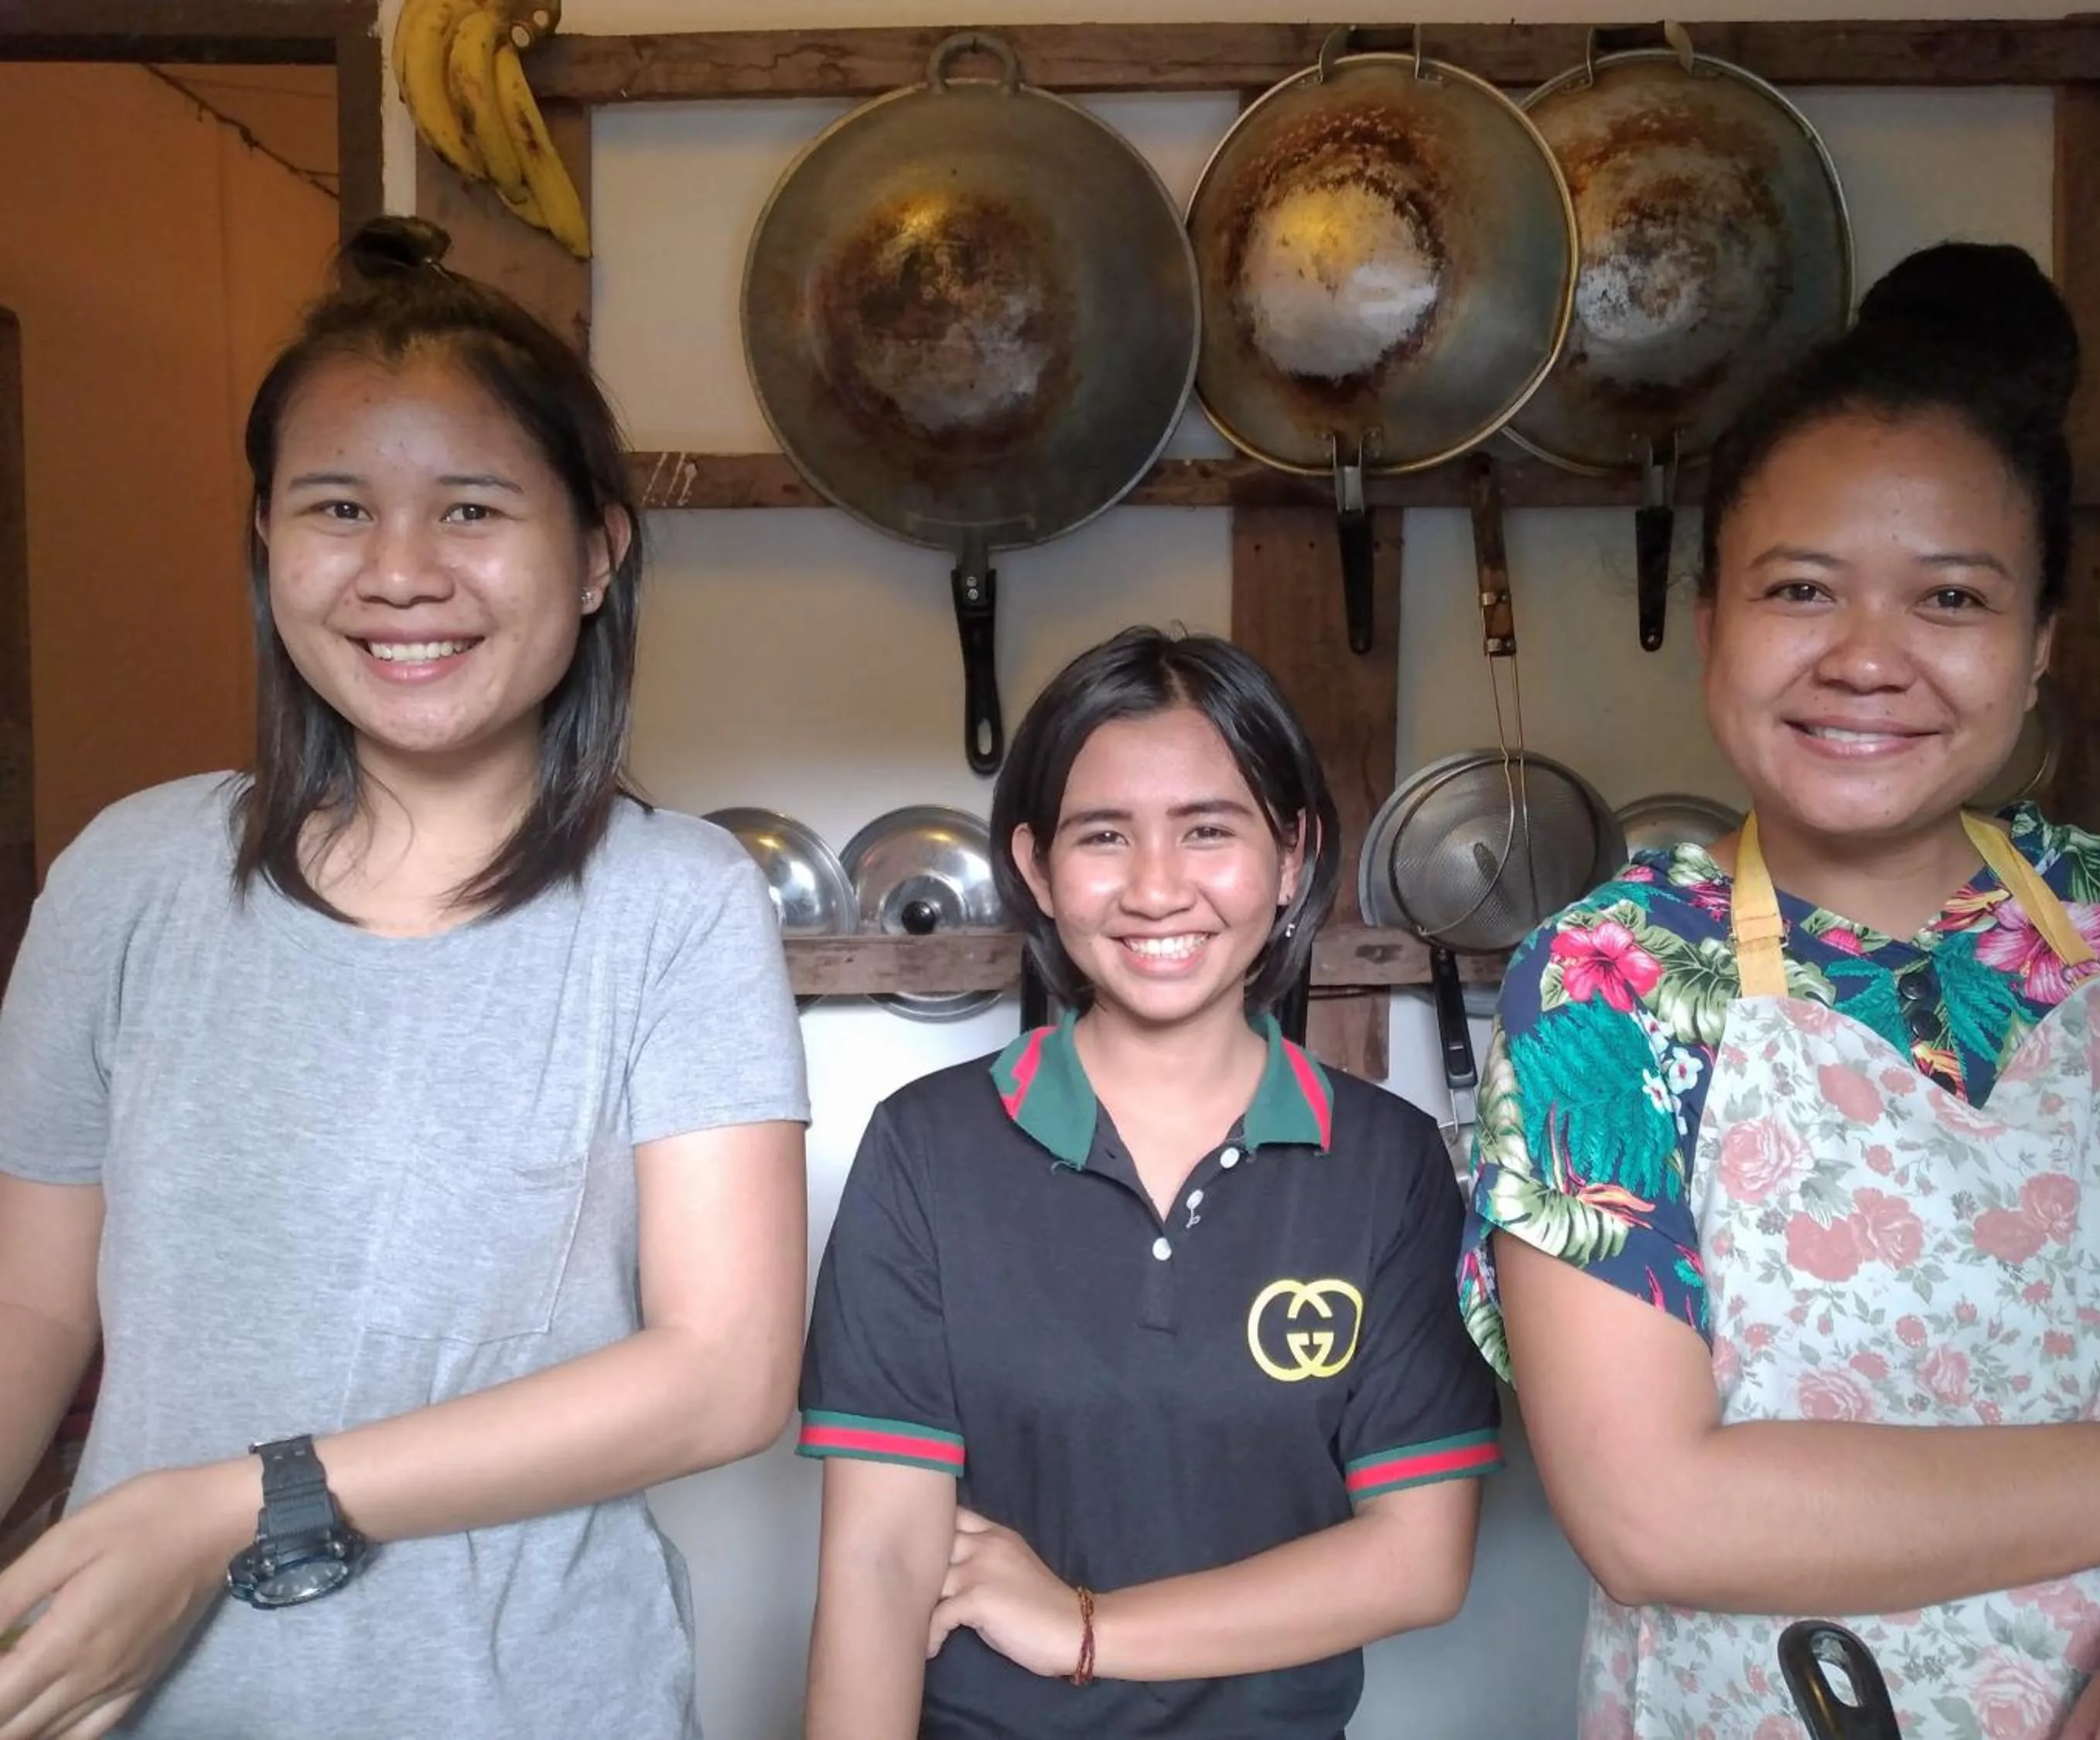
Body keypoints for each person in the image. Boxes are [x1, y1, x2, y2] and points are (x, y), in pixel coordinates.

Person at [1461, 242, 2100, 1739]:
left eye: (1952, 598)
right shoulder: (1615, 982)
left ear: (2040, 647)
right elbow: (1654, 1512)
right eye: (1802, 588)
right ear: (1713, 625)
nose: (1868, 659)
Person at [0, 217, 810, 1740]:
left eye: (472, 509)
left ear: (597, 554)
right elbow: (31, 1303)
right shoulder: (128, 878)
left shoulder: (677, 906)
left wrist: (239, 1501)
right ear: (266, 538)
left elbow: (725, 1369)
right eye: (337, 507)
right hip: (135, 1699)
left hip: (531, 1701)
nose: (399, 573)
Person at [799, 627, 1501, 1739]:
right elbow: (880, 1558)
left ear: (1292, 855)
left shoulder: (1389, 1165)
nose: (1158, 888)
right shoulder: (927, 1149)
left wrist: (1085, 1628)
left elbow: (1418, 1558)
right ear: (1037, 868)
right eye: (1104, 836)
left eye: (1209, 829)